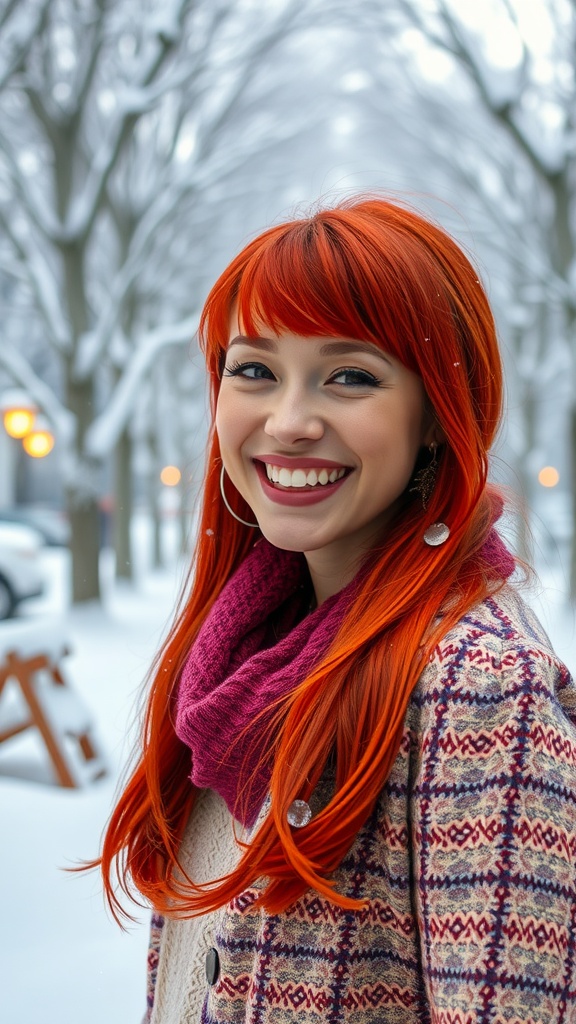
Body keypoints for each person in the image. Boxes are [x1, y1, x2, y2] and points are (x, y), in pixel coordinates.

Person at [97, 197, 576, 1023]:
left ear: (435, 415)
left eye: (350, 376)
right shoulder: (245, 651)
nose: (288, 422)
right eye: (254, 370)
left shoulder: (478, 686)